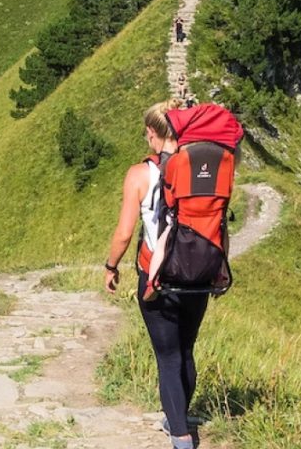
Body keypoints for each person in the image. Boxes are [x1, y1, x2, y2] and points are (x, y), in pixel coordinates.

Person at [103, 101, 210, 449]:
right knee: (187, 348)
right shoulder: (199, 165)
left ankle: (180, 435)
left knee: (168, 356)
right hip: (198, 274)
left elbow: (123, 233)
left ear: (153, 133)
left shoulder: (140, 174)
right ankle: (177, 415)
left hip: (157, 275)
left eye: (147, 132)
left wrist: (111, 266)